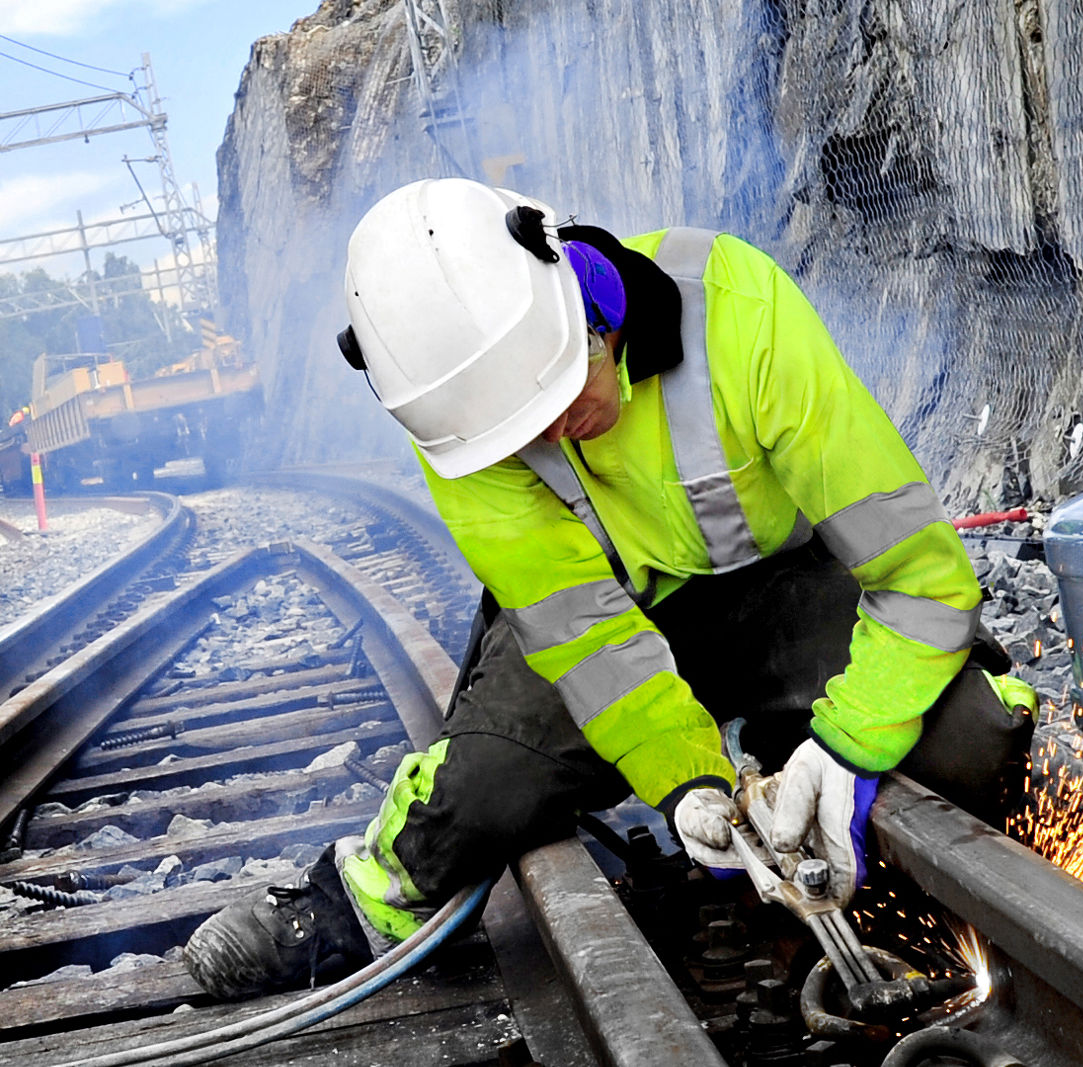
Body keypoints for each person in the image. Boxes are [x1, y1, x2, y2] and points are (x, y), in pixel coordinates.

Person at [184, 178, 1035, 999]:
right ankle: (353, 894)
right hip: (617, 615)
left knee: (965, 733)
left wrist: (846, 745)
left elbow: (918, 577)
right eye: (522, 430)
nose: (554, 433)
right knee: (489, 788)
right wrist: (690, 782)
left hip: (786, 594)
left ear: (582, 300)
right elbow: (587, 633)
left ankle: (825, 762)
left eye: (559, 390)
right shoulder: (456, 412)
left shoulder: (738, 311)